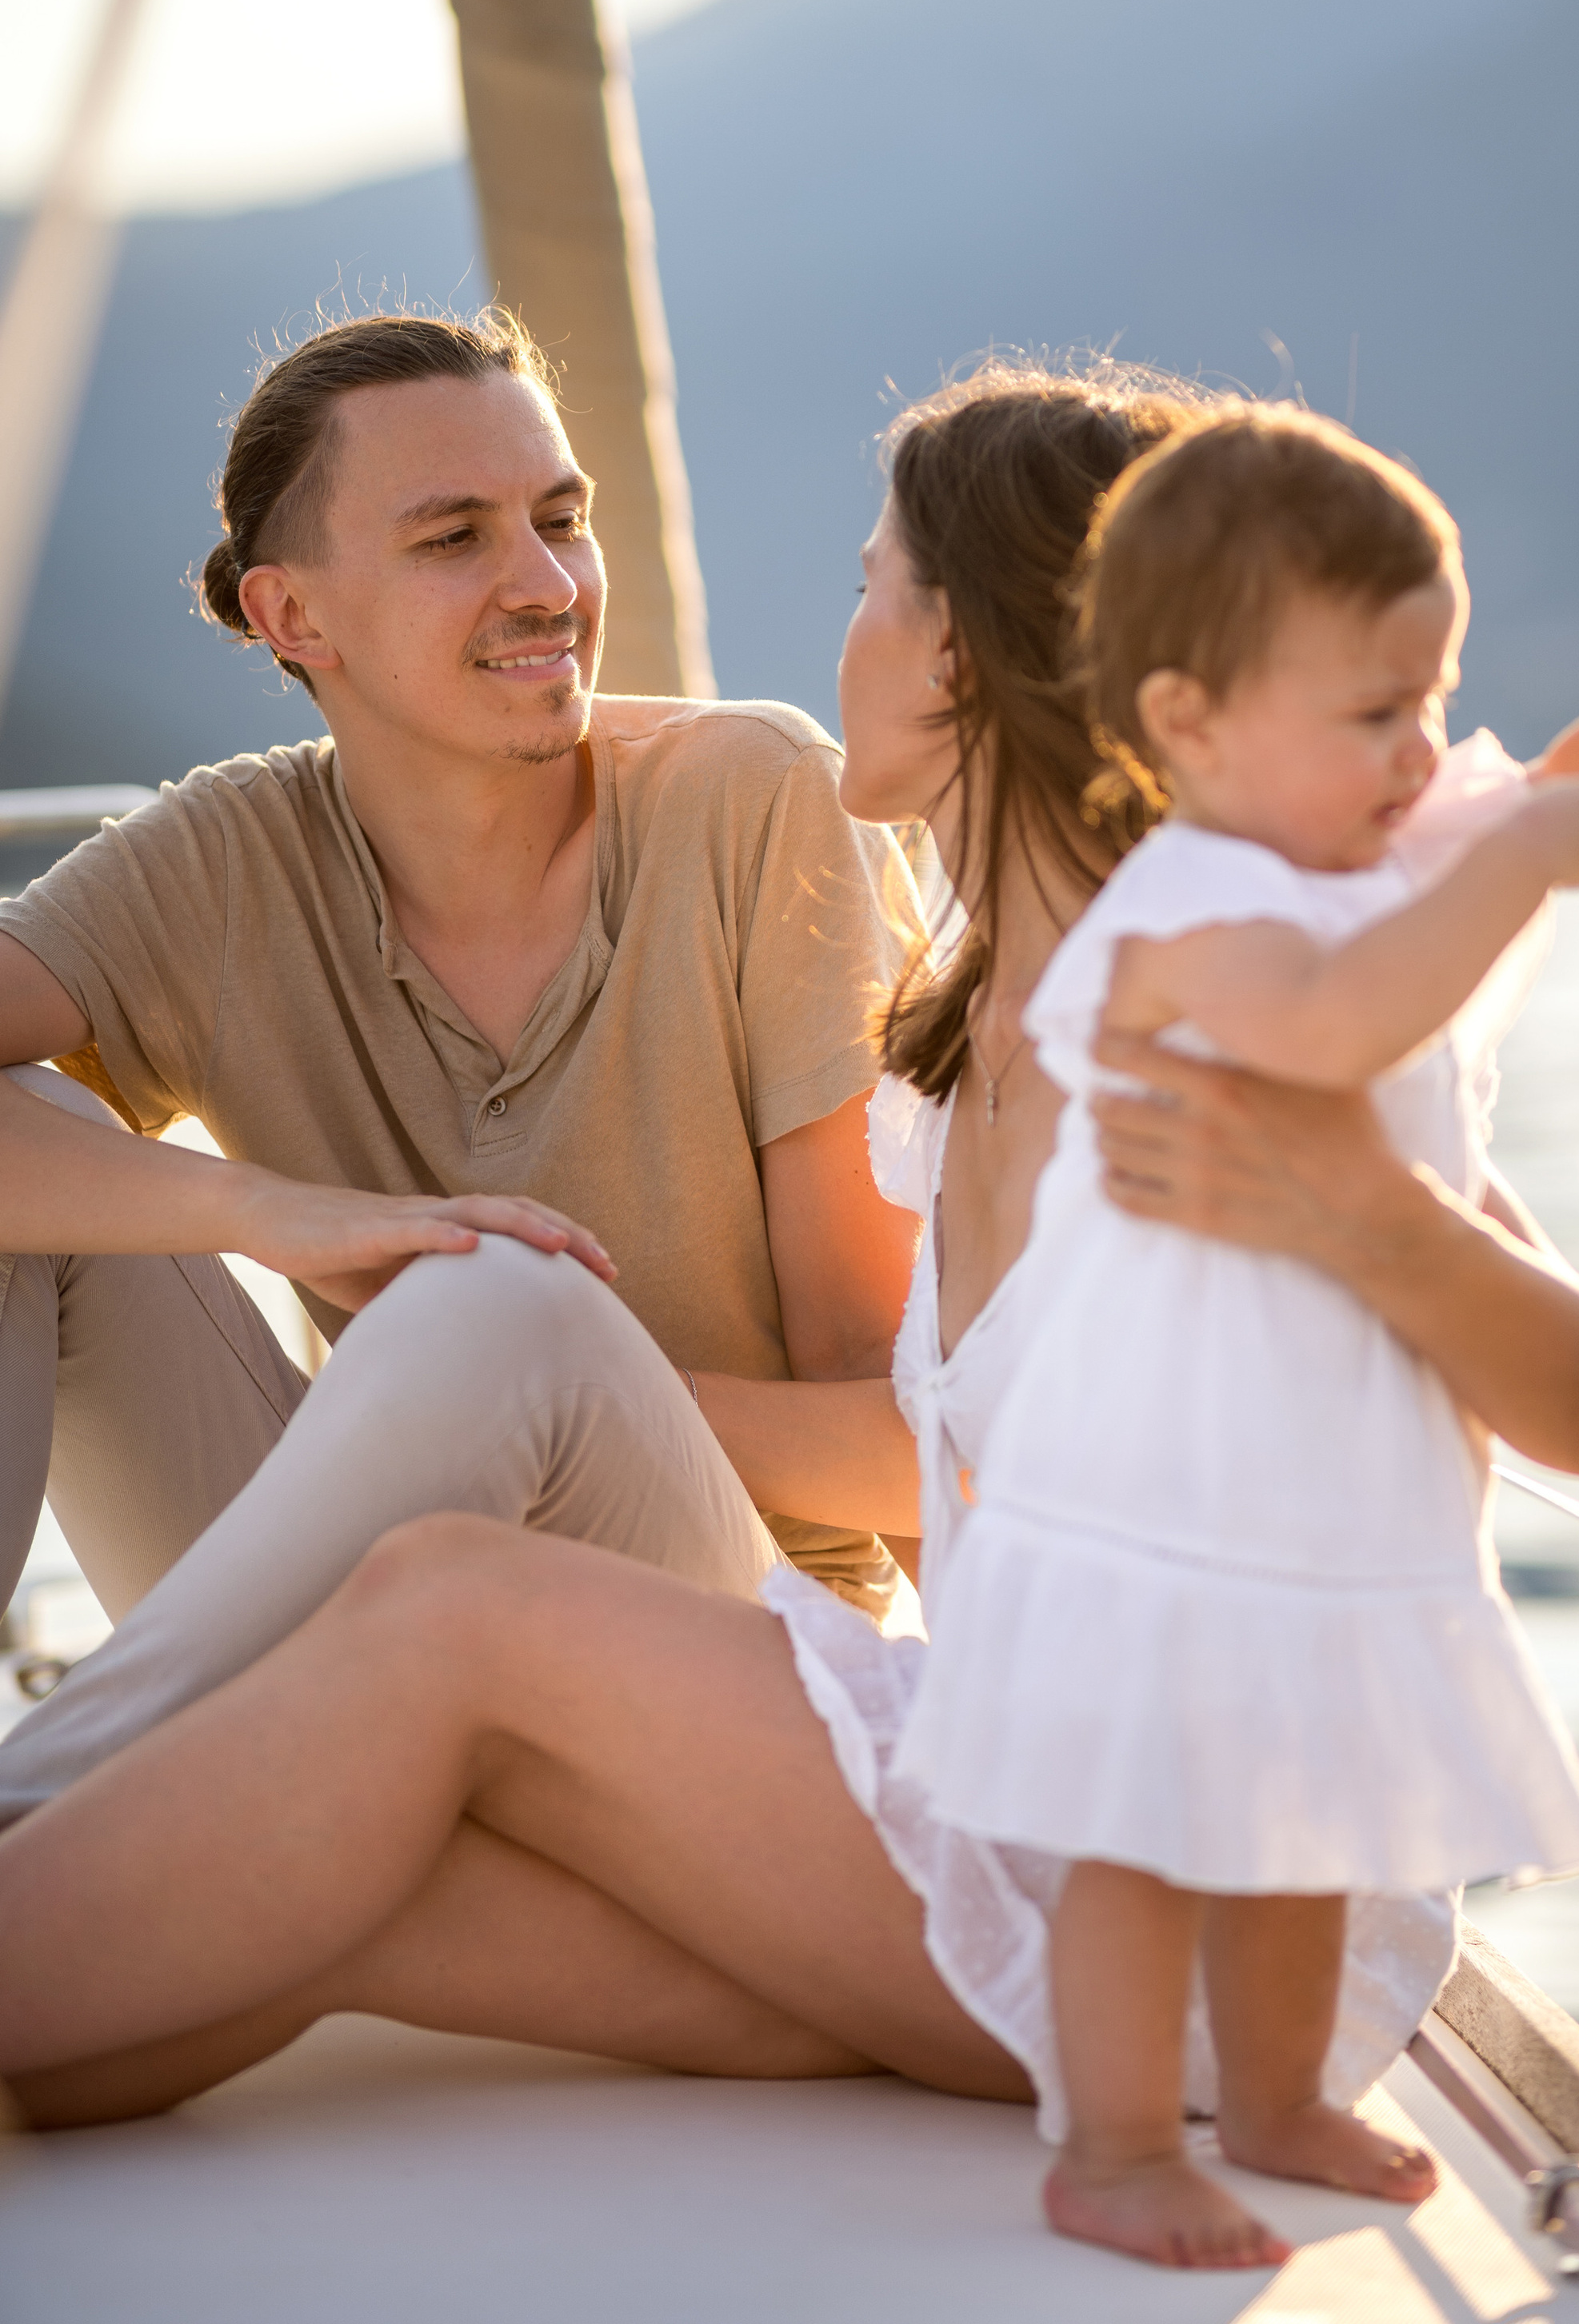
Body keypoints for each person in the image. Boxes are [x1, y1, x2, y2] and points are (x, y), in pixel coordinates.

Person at [0, 361, 1579, 2158]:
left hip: (1179, 1919)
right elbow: (1446, 827)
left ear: (961, 649)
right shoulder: (1000, 1028)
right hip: (1008, 1797)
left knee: (451, 1610)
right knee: (246, 1948)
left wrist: (1359, 1210)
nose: (840, 644)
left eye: (871, 588)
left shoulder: (1222, 1041)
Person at [896, 407, 1579, 2267]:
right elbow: (1322, 1028)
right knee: (1144, 1835)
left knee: (1308, 1805)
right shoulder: (1187, 910)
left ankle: (1285, 2089)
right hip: (1165, 1485)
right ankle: (1117, 2144)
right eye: (1376, 715)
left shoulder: (1350, 858)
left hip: (1316, 1480)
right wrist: (1541, 851)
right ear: (1186, 724)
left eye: (1432, 697)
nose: (1421, 755)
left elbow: (1528, 786)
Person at [0, 310, 921, 1656]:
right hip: (375, 1587)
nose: (548, 583)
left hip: (727, 1633)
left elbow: (895, 1440)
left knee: (508, 1308)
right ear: (292, 614)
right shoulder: (225, 859)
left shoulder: (753, 799)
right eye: (456, 537)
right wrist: (265, 1213)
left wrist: (520, 1385)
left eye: (562, 517)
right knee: (51, 1153)